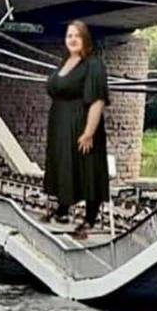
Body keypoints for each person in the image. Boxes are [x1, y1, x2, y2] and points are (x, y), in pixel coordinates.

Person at [43, 20, 110, 239]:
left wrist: (89, 132)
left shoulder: (93, 64)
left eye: (76, 36)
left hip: (82, 122)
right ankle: (63, 210)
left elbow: (98, 100)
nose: (72, 39)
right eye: (69, 35)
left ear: (85, 39)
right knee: (64, 165)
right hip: (61, 122)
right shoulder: (66, 61)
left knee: (87, 168)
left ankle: (89, 219)